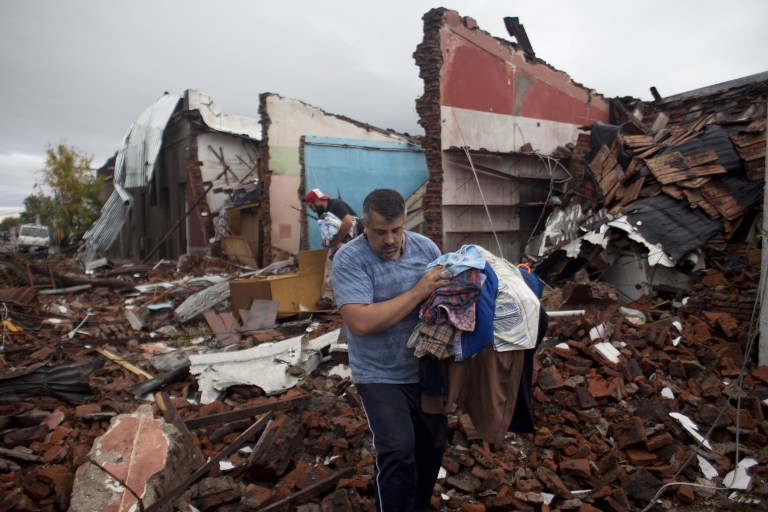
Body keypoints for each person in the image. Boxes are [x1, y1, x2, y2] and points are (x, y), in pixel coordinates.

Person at [331, 188, 451, 512]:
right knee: (398, 450)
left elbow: (443, 301)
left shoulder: (426, 248)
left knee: (433, 445)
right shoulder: (350, 260)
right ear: (364, 226)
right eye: (381, 232)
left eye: (397, 230)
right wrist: (417, 292)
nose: (390, 240)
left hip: (425, 368)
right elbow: (360, 322)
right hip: (379, 374)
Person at [304, 187, 362, 309]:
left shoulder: (336, 205)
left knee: (335, 263)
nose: (312, 210)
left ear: (317, 201)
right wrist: (329, 241)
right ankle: (328, 298)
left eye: (311, 206)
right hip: (341, 239)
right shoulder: (322, 212)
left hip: (354, 238)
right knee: (331, 261)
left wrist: (336, 242)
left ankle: (330, 297)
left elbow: (348, 222)